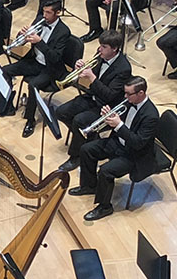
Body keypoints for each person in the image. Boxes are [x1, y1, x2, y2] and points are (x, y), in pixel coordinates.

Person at [68, 76, 159, 221]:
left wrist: (118, 125)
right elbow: (121, 119)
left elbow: (138, 143)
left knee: (106, 171)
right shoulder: (130, 102)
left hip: (134, 155)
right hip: (118, 142)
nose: (125, 96)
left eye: (129, 94)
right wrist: (110, 115)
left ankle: (105, 207)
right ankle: (89, 186)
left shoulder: (151, 115)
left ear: (140, 93)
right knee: (86, 149)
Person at [0, 0, 71, 138]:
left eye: (48, 13)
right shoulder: (39, 20)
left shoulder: (63, 32)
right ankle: (8, 106)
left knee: (33, 85)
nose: (44, 15)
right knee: (4, 71)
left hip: (50, 68)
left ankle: (30, 119)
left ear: (58, 12)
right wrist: (22, 36)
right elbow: (23, 42)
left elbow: (55, 57)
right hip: (34, 61)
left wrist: (39, 42)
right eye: (44, 11)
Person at [57, 30, 133, 172]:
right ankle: (87, 137)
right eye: (100, 45)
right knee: (61, 112)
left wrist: (92, 78)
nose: (99, 49)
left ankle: (76, 157)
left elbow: (109, 95)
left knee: (79, 121)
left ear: (115, 48)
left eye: (104, 46)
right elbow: (91, 73)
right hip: (92, 97)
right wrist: (81, 68)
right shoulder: (100, 56)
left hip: (106, 106)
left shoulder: (124, 69)